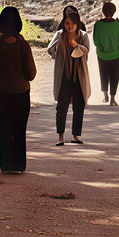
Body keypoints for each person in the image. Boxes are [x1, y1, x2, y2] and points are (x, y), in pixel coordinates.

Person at [0, 6, 36, 174]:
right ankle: (19, 165)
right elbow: (31, 74)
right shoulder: (23, 46)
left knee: (4, 129)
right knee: (19, 129)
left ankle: (6, 165)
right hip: (21, 93)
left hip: (1, 93)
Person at [48, 10, 92, 145]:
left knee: (79, 106)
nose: (70, 26)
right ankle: (60, 136)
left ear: (77, 24)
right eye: (67, 23)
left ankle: (75, 136)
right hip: (64, 76)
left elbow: (86, 50)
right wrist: (60, 44)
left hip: (79, 76)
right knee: (61, 107)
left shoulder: (83, 35)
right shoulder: (59, 35)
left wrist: (74, 44)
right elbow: (50, 50)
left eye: (73, 24)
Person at [94, 2, 119, 105]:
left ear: (103, 11)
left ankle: (105, 96)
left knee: (103, 74)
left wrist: (102, 48)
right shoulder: (118, 24)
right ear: (114, 11)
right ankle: (112, 98)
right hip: (116, 55)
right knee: (115, 76)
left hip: (102, 55)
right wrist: (118, 47)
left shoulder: (98, 24)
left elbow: (96, 41)